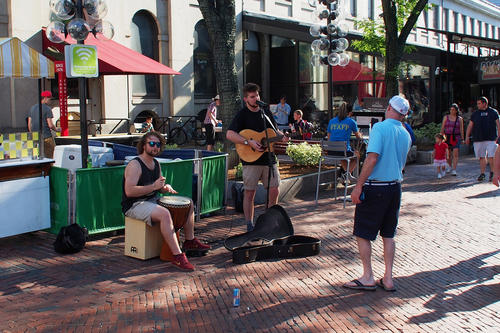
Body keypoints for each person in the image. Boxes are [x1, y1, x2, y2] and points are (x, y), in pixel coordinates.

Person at [344, 95, 412, 292]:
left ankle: (368, 276)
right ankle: (388, 278)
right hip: (395, 187)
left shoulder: (380, 128)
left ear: (389, 107)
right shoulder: (405, 132)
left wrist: (358, 185)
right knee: (388, 234)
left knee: (363, 233)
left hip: (377, 186)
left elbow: (372, 158)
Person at [121, 131, 210, 271]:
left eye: (157, 144)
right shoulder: (135, 165)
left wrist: (164, 188)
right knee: (164, 214)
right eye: (151, 143)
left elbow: (159, 187)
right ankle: (177, 256)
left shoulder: (156, 164)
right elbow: (129, 191)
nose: (155, 147)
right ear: (144, 145)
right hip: (134, 204)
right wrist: (154, 187)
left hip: (152, 199)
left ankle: (189, 240)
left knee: (189, 203)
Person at [226, 83, 288, 232]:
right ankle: (249, 224)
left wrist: (282, 137)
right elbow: (230, 134)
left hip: (269, 158)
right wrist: (249, 142)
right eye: (252, 97)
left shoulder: (265, 111)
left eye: (257, 96)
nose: (256, 99)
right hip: (250, 160)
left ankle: (270, 221)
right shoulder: (242, 115)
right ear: (245, 99)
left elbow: (275, 131)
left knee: (274, 190)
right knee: (250, 192)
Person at [465, 96, 500, 182]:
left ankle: (492, 173)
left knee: (491, 156)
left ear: (485, 103)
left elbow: (498, 124)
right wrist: (467, 136)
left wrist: (499, 135)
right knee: (481, 156)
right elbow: (470, 125)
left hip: (491, 138)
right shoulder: (475, 114)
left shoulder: (493, 112)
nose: (478, 105)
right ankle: (483, 173)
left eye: (479, 103)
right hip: (478, 138)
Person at [326, 102, 363, 182]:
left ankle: (346, 175)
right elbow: (358, 137)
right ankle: (347, 174)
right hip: (343, 150)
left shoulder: (331, 121)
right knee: (357, 155)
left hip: (331, 151)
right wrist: (360, 133)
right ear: (350, 113)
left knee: (343, 154)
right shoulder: (351, 122)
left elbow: (329, 137)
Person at [28, 90, 60, 158]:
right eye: (50, 99)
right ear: (45, 98)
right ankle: (50, 168)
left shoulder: (32, 108)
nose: (50, 101)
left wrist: (32, 134)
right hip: (46, 136)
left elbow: (29, 124)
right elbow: (50, 125)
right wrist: (57, 129)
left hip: (35, 137)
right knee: (51, 156)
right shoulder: (47, 109)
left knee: (37, 156)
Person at [440, 103, 464, 176]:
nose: (451, 111)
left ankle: (454, 169)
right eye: (450, 109)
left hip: (456, 137)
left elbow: (461, 129)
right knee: (448, 154)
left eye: (453, 110)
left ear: (456, 111)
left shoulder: (459, 119)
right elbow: (442, 127)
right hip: (447, 137)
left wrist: (462, 138)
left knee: (455, 153)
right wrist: (441, 137)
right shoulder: (446, 117)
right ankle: (450, 166)